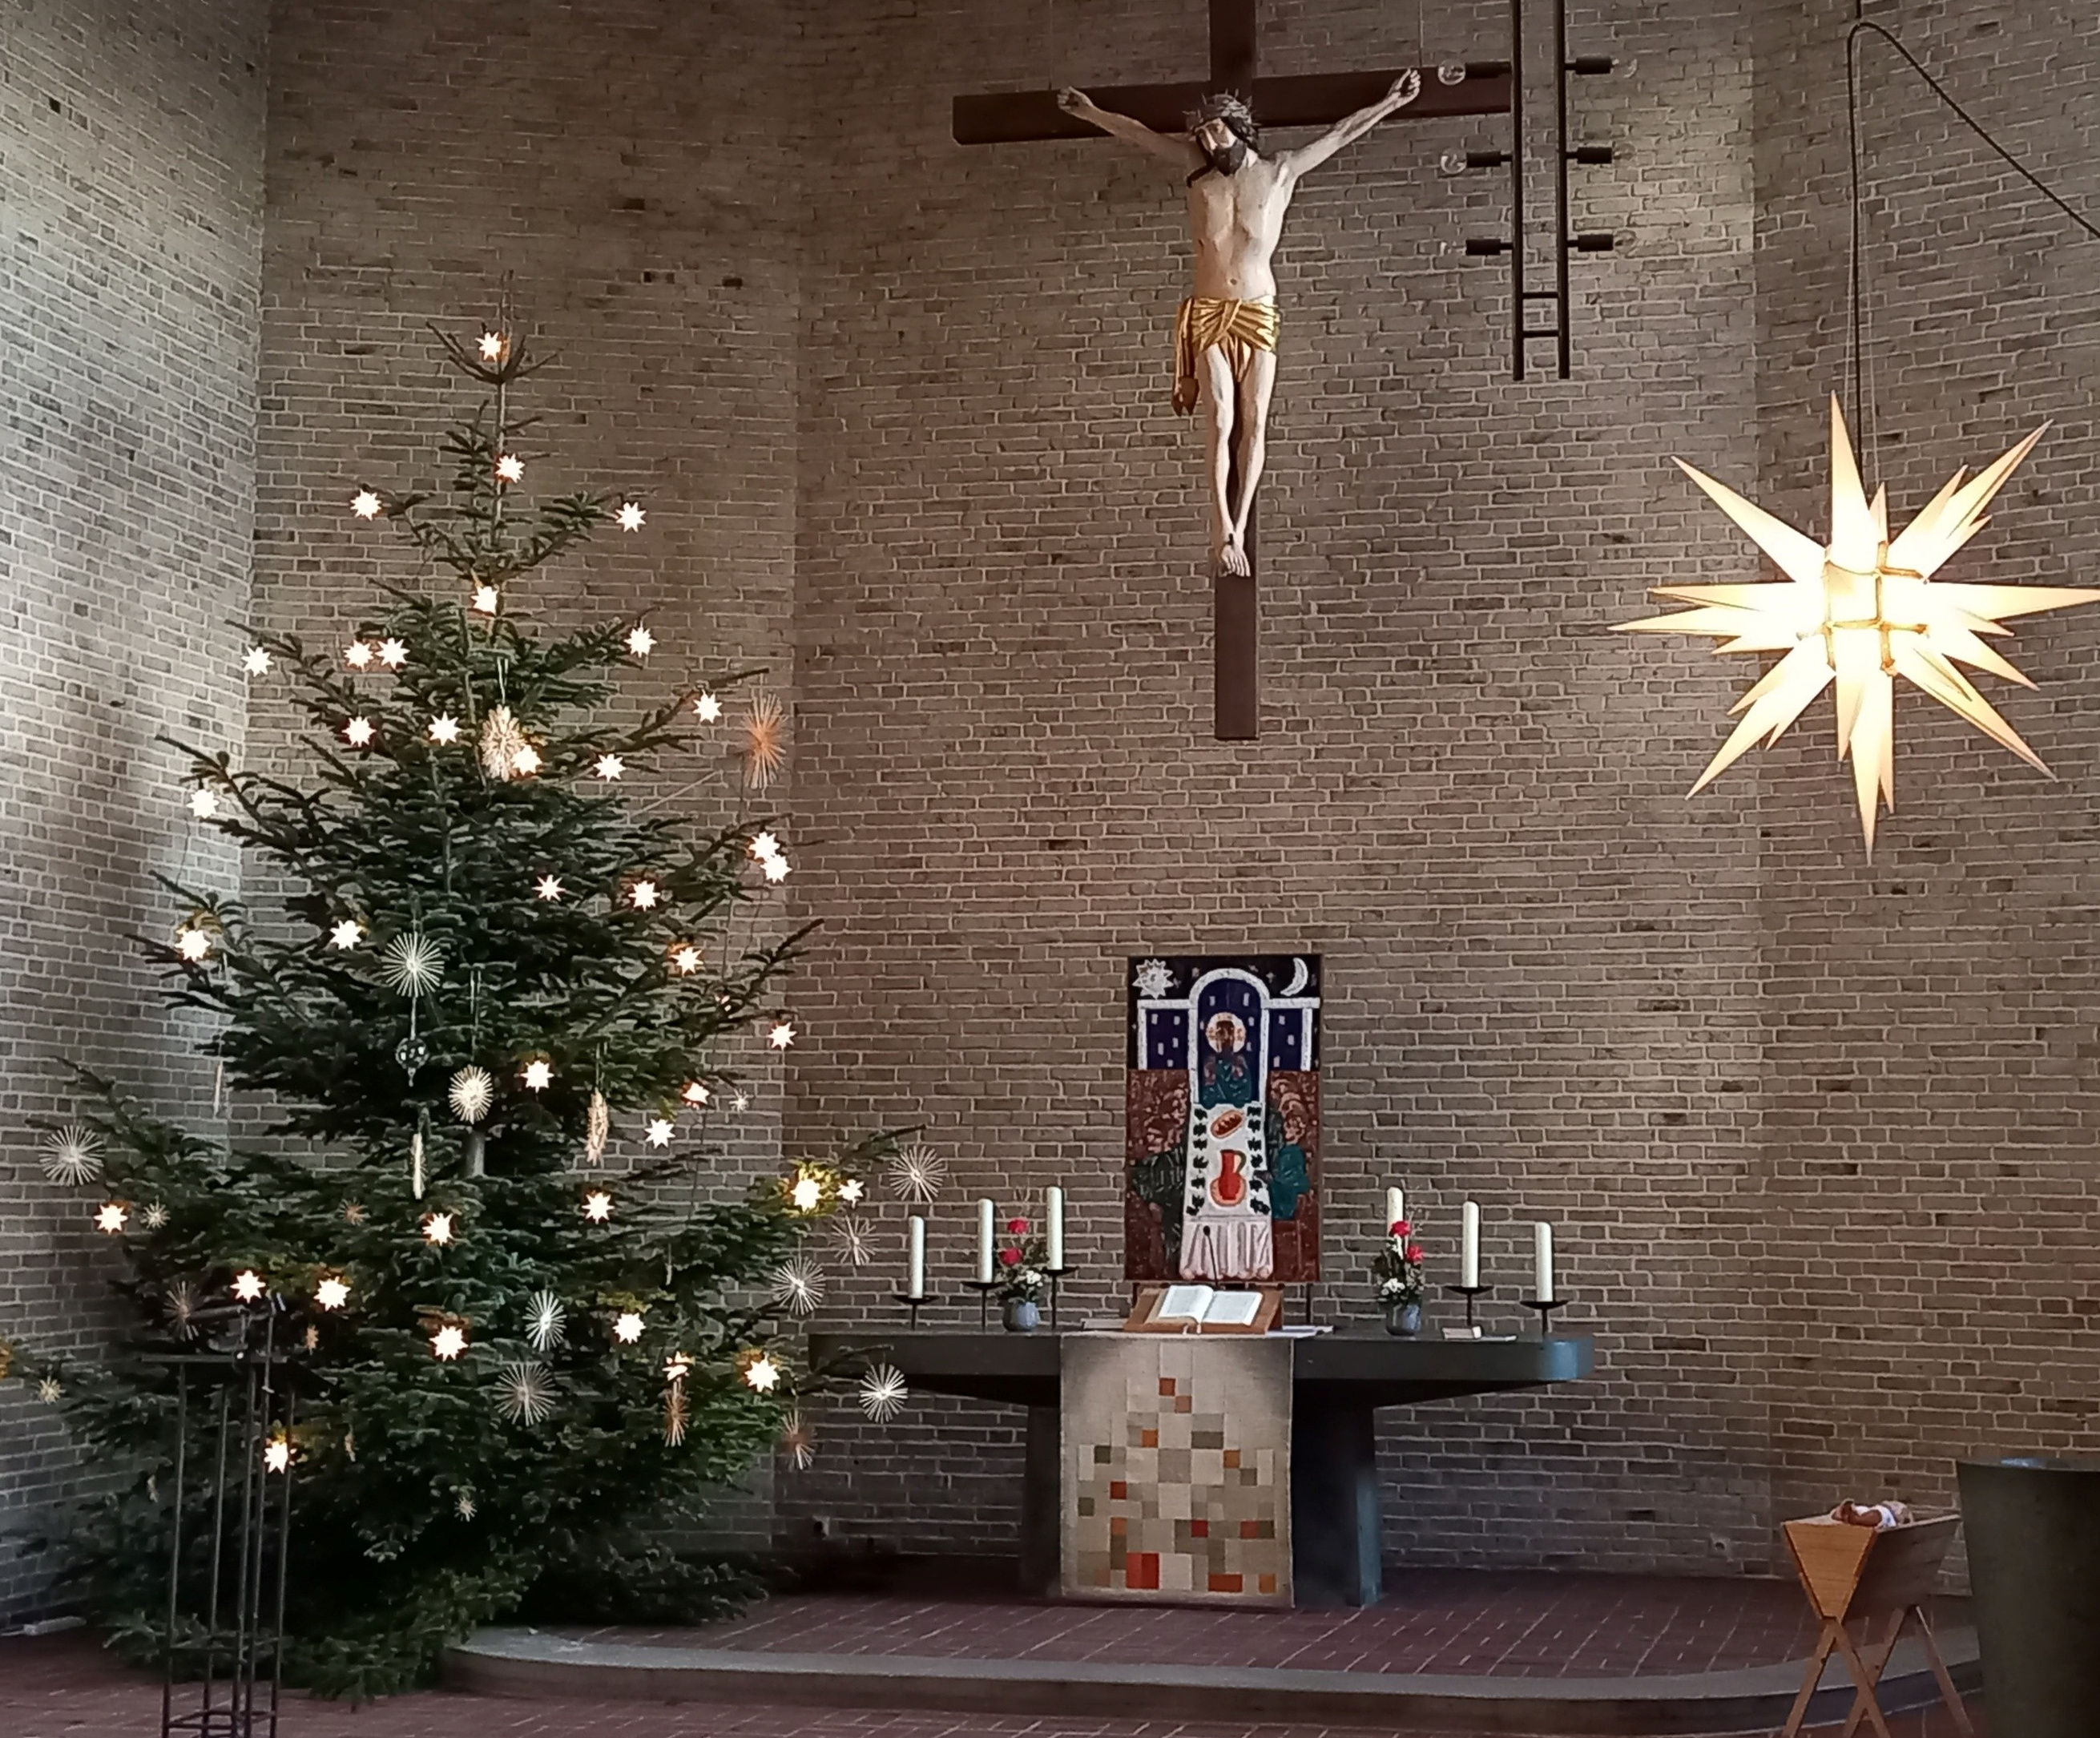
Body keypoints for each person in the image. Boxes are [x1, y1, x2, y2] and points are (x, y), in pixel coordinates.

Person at [1057, 74, 1424, 575]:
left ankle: (1240, 528)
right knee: (1219, 419)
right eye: (1202, 135)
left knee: (1254, 420)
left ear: (1239, 127)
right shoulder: (1197, 172)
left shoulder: (1279, 173)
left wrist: (1389, 102)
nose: (1208, 143)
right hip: (1209, 309)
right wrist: (1090, 111)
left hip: (1256, 310)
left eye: (1216, 131)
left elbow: (1339, 134)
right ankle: (1220, 528)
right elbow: (1139, 134)